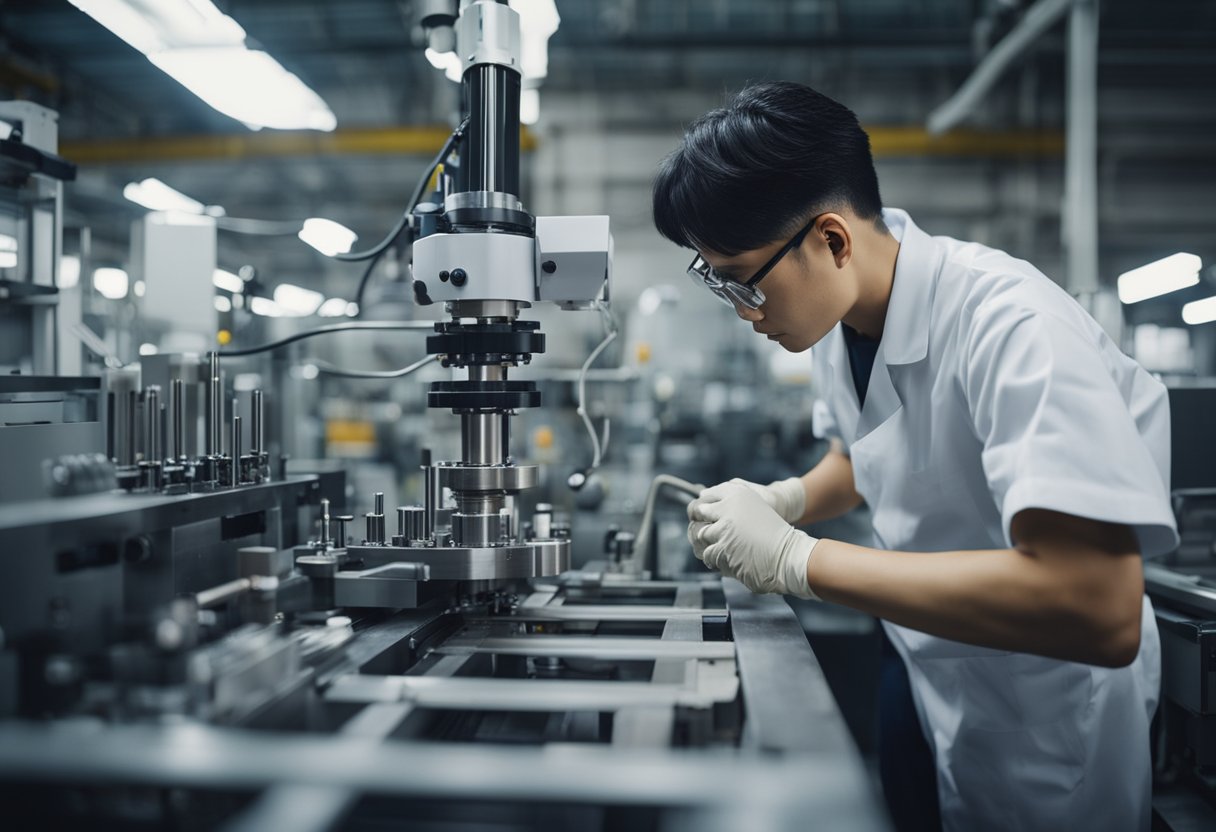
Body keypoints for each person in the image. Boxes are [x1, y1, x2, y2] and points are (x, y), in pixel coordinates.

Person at [651, 81, 1176, 832]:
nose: (746, 315)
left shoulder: (1012, 325)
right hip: (925, 666)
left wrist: (798, 560)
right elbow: (865, 452)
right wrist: (786, 500)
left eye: (746, 286)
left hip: (1044, 703)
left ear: (831, 240)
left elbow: (1095, 603)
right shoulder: (842, 323)